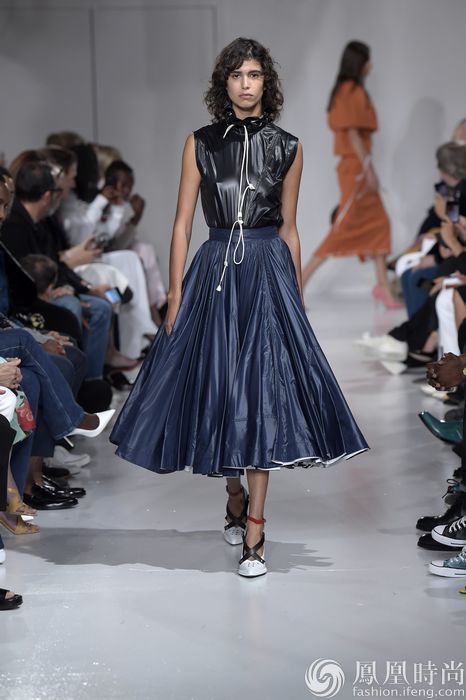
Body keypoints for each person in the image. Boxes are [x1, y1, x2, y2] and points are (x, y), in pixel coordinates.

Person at [111, 37, 368, 578]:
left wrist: (296, 297)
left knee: (259, 392)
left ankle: (256, 528)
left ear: (265, 83)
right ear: (223, 83)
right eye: (236, 75)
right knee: (220, 386)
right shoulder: (200, 143)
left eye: (254, 75)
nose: (246, 84)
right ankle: (233, 493)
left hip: (268, 269)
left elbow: (291, 229)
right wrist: (175, 292)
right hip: (215, 273)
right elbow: (181, 224)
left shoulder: (289, 146)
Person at [301, 41, 400, 308]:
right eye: (367, 60)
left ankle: (383, 288)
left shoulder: (350, 90)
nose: (370, 65)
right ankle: (298, 285)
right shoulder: (349, 91)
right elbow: (354, 134)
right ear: (359, 63)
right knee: (341, 229)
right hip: (356, 169)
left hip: (358, 167)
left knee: (380, 226)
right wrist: (369, 169)